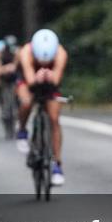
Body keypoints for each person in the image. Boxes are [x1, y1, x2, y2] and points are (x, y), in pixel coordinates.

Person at [15, 29, 68, 186]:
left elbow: (56, 79)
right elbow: (30, 80)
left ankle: (57, 165)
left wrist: (49, 77)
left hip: (50, 83)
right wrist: (38, 78)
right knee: (26, 102)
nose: (44, 63)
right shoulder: (26, 52)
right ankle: (22, 130)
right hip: (27, 79)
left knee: (54, 119)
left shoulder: (60, 52)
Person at [0, 34, 20, 113]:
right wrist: (4, 69)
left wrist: (13, 66)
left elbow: (17, 64)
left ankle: (17, 99)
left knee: (18, 81)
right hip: (1, 64)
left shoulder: (17, 50)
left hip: (12, 66)